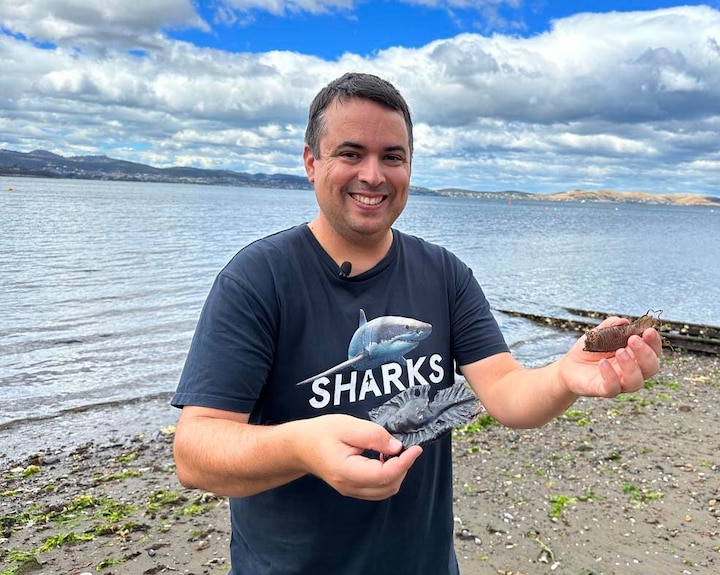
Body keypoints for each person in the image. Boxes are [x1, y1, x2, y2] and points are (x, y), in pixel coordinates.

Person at [171, 72, 662, 575]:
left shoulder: (444, 274)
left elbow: (508, 392)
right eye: (350, 153)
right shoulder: (258, 279)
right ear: (311, 162)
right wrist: (302, 447)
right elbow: (195, 450)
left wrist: (563, 375)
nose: (373, 175)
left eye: (392, 156)